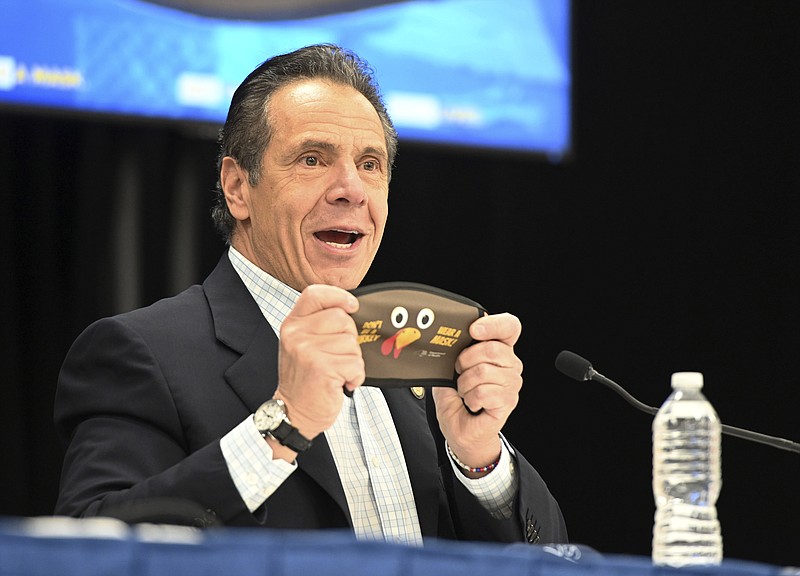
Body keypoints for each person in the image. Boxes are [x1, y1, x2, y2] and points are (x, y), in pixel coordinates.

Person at [54, 43, 567, 545]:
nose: (351, 189)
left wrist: (480, 460)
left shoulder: (415, 355)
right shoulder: (140, 352)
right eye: (313, 159)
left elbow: (553, 554)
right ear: (237, 188)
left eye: (370, 164)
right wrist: (283, 426)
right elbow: (88, 548)